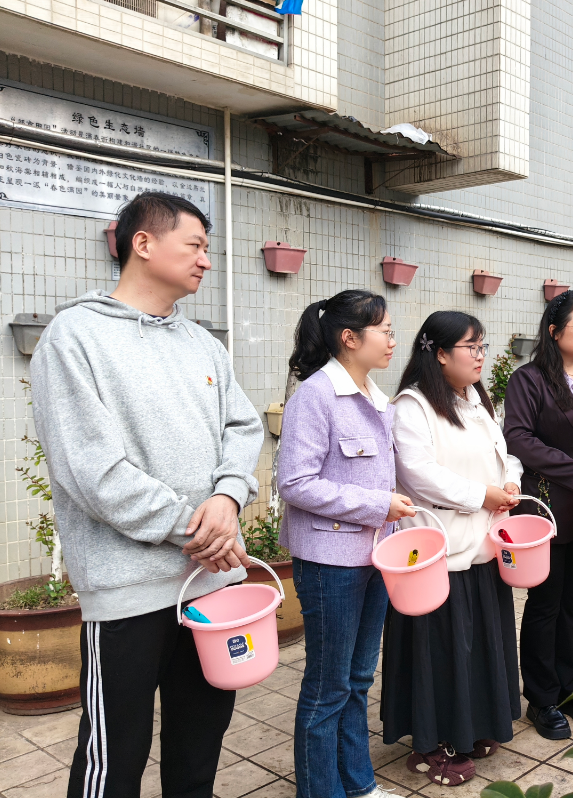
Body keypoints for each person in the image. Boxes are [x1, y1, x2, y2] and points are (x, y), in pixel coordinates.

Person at [29, 192, 264, 798]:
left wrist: (229, 498)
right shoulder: (73, 338)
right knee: (114, 758)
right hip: (127, 592)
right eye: (196, 246)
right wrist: (199, 530)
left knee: (199, 748)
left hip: (211, 587)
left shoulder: (202, 343)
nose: (206, 260)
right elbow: (93, 471)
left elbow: (243, 427)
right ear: (143, 243)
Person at [277, 290, 415, 798]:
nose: (393, 341)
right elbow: (295, 483)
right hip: (329, 563)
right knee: (327, 686)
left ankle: (359, 785)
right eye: (385, 331)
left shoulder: (377, 398)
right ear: (349, 338)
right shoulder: (315, 396)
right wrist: (378, 505)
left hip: (376, 558)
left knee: (357, 679)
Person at [382, 311, 524, 786]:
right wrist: (482, 495)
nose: (481, 356)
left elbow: (504, 454)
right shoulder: (413, 406)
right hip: (439, 553)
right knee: (440, 654)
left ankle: (473, 726)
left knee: (478, 648)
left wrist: (509, 481)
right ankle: (431, 745)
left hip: (481, 545)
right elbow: (419, 474)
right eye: (472, 347)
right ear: (440, 354)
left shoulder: (475, 401)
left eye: (483, 346)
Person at [503, 289, 573, 740]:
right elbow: (519, 438)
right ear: (554, 332)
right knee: (546, 603)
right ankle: (541, 697)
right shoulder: (529, 380)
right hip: (549, 503)